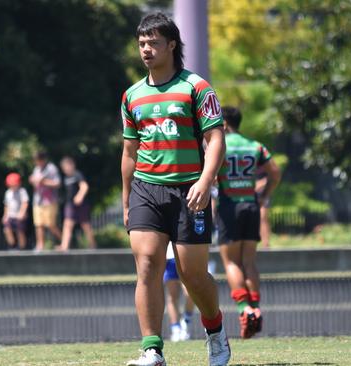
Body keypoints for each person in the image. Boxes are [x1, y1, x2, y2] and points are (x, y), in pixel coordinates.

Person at [121, 13, 230, 366]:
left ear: (171, 45)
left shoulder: (197, 88)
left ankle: (215, 331)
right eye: (141, 44)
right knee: (148, 264)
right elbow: (128, 152)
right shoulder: (132, 96)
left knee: (192, 274)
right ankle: (152, 349)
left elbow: (216, 140)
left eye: (153, 42)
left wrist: (205, 180)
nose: (146, 49)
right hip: (146, 189)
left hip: (189, 191)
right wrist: (127, 200)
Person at [217, 106, 281, 339]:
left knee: (231, 262)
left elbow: (211, 176)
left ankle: (244, 309)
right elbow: (275, 172)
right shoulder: (255, 146)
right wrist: (264, 195)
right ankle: (256, 306)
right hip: (251, 205)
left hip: (229, 206)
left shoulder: (219, 145)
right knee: (249, 261)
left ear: (224, 124)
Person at [59, 156, 96, 250]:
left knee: (85, 225)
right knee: (67, 224)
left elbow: (84, 186)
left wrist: (79, 196)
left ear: (72, 165)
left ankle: (92, 245)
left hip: (81, 204)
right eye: (63, 168)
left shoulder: (77, 174)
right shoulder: (66, 178)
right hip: (70, 204)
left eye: (66, 166)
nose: (65, 169)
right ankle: (64, 246)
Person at [29, 152, 62, 251]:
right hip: (38, 200)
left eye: (38, 161)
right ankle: (40, 245)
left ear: (43, 159)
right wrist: (33, 180)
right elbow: (35, 182)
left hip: (49, 201)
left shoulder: (51, 168)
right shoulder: (37, 169)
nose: (36, 163)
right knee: (39, 224)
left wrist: (44, 181)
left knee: (50, 224)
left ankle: (64, 241)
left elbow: (57, 183)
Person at [163, 243, 195, 342]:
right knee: (172, 296)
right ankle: (176, 329)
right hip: (169, 259)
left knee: (190, 293)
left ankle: (185, 321)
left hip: (186, 255)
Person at [2, 172, 29, 250]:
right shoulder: (8, 193)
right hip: (11, 215)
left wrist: (22, 213)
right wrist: (5, 215)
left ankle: (22, 248)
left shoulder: (22, 191)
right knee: (6, 230)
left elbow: (25, 203)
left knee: (20, 232)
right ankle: (12, 245)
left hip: (19, 216)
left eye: (14, 184)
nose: (13, 186)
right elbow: (6, 205)